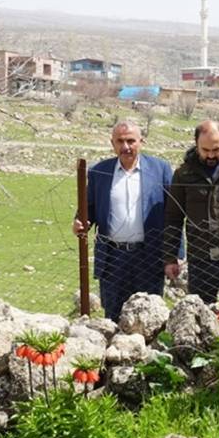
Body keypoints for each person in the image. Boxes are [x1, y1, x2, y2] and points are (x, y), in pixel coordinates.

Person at [73, 120, 172, 320]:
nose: (125, 147)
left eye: (130, 141)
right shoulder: (99, 171)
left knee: (150, 317)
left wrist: (173, 255)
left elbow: (173, 216)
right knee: (113, 315)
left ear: (141, 142)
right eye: (120, 141)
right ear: (112, 144)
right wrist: (79, 221)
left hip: (149, 257)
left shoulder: (160, 170)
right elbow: (89, 207)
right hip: (113, 258)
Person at [163, 120, 219, 304]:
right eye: (205, 150)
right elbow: (173, 218)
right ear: (196, 144)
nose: (211, 155)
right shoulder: (183, 175)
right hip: (200, 259)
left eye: (217, 149)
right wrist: (170, 257)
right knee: (200, 316)